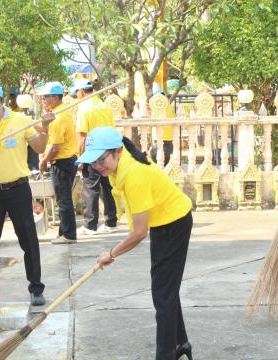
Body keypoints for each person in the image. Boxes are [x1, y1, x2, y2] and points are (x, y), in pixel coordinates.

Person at [76, 126, 193, 360]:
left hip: (174, 224)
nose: (98, 166)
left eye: (101, 159)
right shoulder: (122, 169)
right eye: (93, 162)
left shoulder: (134, 175)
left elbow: (139, 232)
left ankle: (167, 354)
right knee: (165, 290)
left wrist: (112, 253)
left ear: (118, 151)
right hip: (164, 224)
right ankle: (181, 343)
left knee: (162, 295)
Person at [0, 80, 53, 306]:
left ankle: (36, 289)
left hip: (19, 189)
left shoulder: (19, 121)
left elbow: (39, 148)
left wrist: (46, 128)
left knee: (29, 240)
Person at [74, 79, 118, 235]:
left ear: (81, 92)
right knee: (107, 187)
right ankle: (111, 222)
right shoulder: (103, 106)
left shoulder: (84, 109)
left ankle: (90, 224)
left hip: (93, 152)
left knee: (91, 188)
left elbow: (82, 137)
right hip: (108, 152)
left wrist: (81, 158)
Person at [38, 82, 79, 244]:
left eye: (46, 96)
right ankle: (64, 232)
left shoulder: (58, 117)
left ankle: (68, 235)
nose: (44, 99)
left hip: (62, 161)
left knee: (64, 200)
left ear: (55, 97)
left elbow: (55, 147)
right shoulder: (60, 113)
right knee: (64, 198)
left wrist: (43, 161)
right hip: (68, 160)